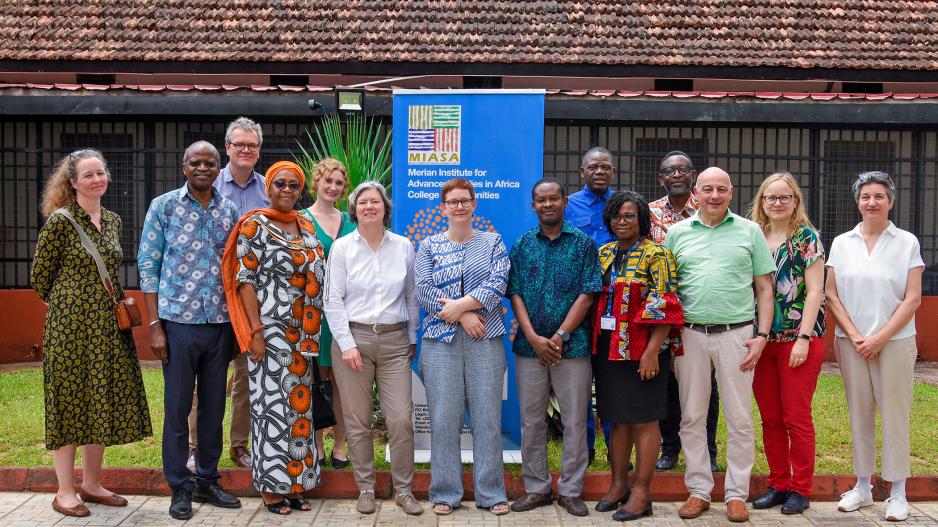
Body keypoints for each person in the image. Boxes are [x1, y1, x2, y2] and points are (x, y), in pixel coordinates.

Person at [32, 149, 152, 518]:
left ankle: (92, 483)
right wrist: (74, 302)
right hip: (70, 329)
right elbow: (40, 281)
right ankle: (65, 490)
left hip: (107, 327)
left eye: (101, 173)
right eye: (88, 175)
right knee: (69, 403)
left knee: (99, 399)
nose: (97, 179)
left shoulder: (113, 220)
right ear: (72, 183)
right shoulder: (60, 223)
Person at [664, 167, 776, 523]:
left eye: (721, 189)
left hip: (737, 336)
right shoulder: (676, 234)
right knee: (692, 416)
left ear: (731, 192)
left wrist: (761, 336)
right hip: (690, 335)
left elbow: (765, 289)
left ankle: (736, 494)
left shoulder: (750, 231)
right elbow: (667, 291)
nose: (714, 195)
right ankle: (698, 490)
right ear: (696, 193)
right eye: (707, 189)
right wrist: (667, 339)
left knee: (740, 419)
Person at [138, 141, 242, 520]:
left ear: (219, 168)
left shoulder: (228, 209)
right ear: (184, 167)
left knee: (213, 409)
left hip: (219, 325)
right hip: (177, 325)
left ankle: (207, 480)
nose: (203, 168)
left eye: (210, 163)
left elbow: (234, 270)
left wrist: (236, 329)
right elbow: (148, 267)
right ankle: (179, 486)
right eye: (196, 162)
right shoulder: (163, 206)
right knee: (179, 407)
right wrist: (155, 327)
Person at [222, 161, 324, 515]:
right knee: (269, 409)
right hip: (271, 331)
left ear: (300, 190)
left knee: (299, 410)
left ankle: (297, 483)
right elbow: (244, 280)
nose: (286, 189)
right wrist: (255, 331)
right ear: (269, 187)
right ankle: (270, 487)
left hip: (304, 335)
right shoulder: (254, 224)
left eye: (293, 185)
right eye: (279, 183)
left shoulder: (306, 224)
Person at [826, 171, 923, 523]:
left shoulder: (906, 242)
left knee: (895, 414)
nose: (872, 202)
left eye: (879, 196)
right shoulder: (841, 242)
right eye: (866, 196)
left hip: (894, 343)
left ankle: (898, 492)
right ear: (857, 201)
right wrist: (855, 336)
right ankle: (863, 486)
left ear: (890, 201)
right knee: (859, 413)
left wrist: (880, 337)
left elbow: (912, 299)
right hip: (851, 344)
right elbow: (832, 295)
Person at [323, 181, 423, 516]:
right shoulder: (343, 248)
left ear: (385, 208)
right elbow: (332, 300)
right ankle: (365, 487)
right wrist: (347, 344)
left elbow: (411, 296)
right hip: (353, 342)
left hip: (395, 343)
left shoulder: (403, 246)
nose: (369, 207)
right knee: (357, 420)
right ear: (354, 210)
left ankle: (404, 490)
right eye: (363, 202)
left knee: (400, 420)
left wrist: (411, 338)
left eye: (375, 202)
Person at [414, 178, 511, 516]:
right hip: (440, 344)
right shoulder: (428, 246)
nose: (458, 206)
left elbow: (498, 282)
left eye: (464, 201)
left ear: (474, 205)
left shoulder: (493, 242)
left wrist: (463, 308)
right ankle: (444, 491)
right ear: (443, 208)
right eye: (452, 201)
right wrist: (461, 315)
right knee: (443, 418)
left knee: (487, 417)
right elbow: (424, 290)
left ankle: (491, 492)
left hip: (485, 339)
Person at [508, 177, 601, 518]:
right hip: (529, 347)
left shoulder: (583, 245)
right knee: (531, 421)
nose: (547, 204)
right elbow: (514, 292)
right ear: (533, 206)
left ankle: (571, 490)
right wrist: (532, 336)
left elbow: (588, 293)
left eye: (553, 198)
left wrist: (560, 335)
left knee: (575, 420)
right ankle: (537, 488)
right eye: (540, 200)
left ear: (565, 202)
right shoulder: (521, 245)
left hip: (571, 347)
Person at [590, 191, 684, 522]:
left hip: (643, 352)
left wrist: (652, 352)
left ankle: (642, 493)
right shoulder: (603, 253)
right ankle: (618, 486)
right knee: (617, 417)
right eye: (616, 216)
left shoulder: (657, 255)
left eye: (629, 216)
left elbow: (665, 304)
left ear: (642, 219)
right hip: (607, 350)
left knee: (644, 419)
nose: (622, 222)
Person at [187, 117, 268, 470]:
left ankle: (239, 445)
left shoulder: (270, 188)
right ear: (228, 148)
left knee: (246, 376)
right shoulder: (207, 184)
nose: (246, 150)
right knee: (204, 379)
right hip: (210, 297)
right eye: (239, 144)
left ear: (258, 150)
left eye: (252, 145)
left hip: (254, 295)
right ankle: (195, 446)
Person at [748, 172, 826, 515]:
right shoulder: (754, 236)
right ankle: (778, 484)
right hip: (762, 341)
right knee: (770, 418)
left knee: (796, 417)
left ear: (796, 201)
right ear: (761, 202)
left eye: (784, 197)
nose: (777, 203)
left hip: (799, 340)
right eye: (770, 197)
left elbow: (815, 292)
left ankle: (800, 489)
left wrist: (803, 339)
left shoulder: (807, 238)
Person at [648, 151, 720, 474]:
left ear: (693, 174)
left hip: (699, 313)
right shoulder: (649, 213)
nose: (676, 174)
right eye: (669, 171)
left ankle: (709, 449)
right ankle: (670, 447)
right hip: (661, 314)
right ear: (660, 178)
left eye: (682, 169)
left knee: (707, 386)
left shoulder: (709, 208)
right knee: (666, 383)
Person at [299, 158, 355, 470]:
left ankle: (341, 446)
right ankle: (318, 444)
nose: (333, 187)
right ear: (316, 182)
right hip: (312, 313)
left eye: (338, 183)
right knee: (316, 381)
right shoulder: (301, 220)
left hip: (346, 313)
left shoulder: (351, 220)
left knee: (342, 383)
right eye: (328, 181)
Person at [566, 147, 616, 464]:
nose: (600, 170)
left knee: (611, 380)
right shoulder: (568, 205)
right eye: (593, 166)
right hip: (579, 306)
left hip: (613, 307)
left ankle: (616, 447)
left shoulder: (621, 204)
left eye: (606, 166)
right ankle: (585, 449)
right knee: (580, 383)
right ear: (582, 171)